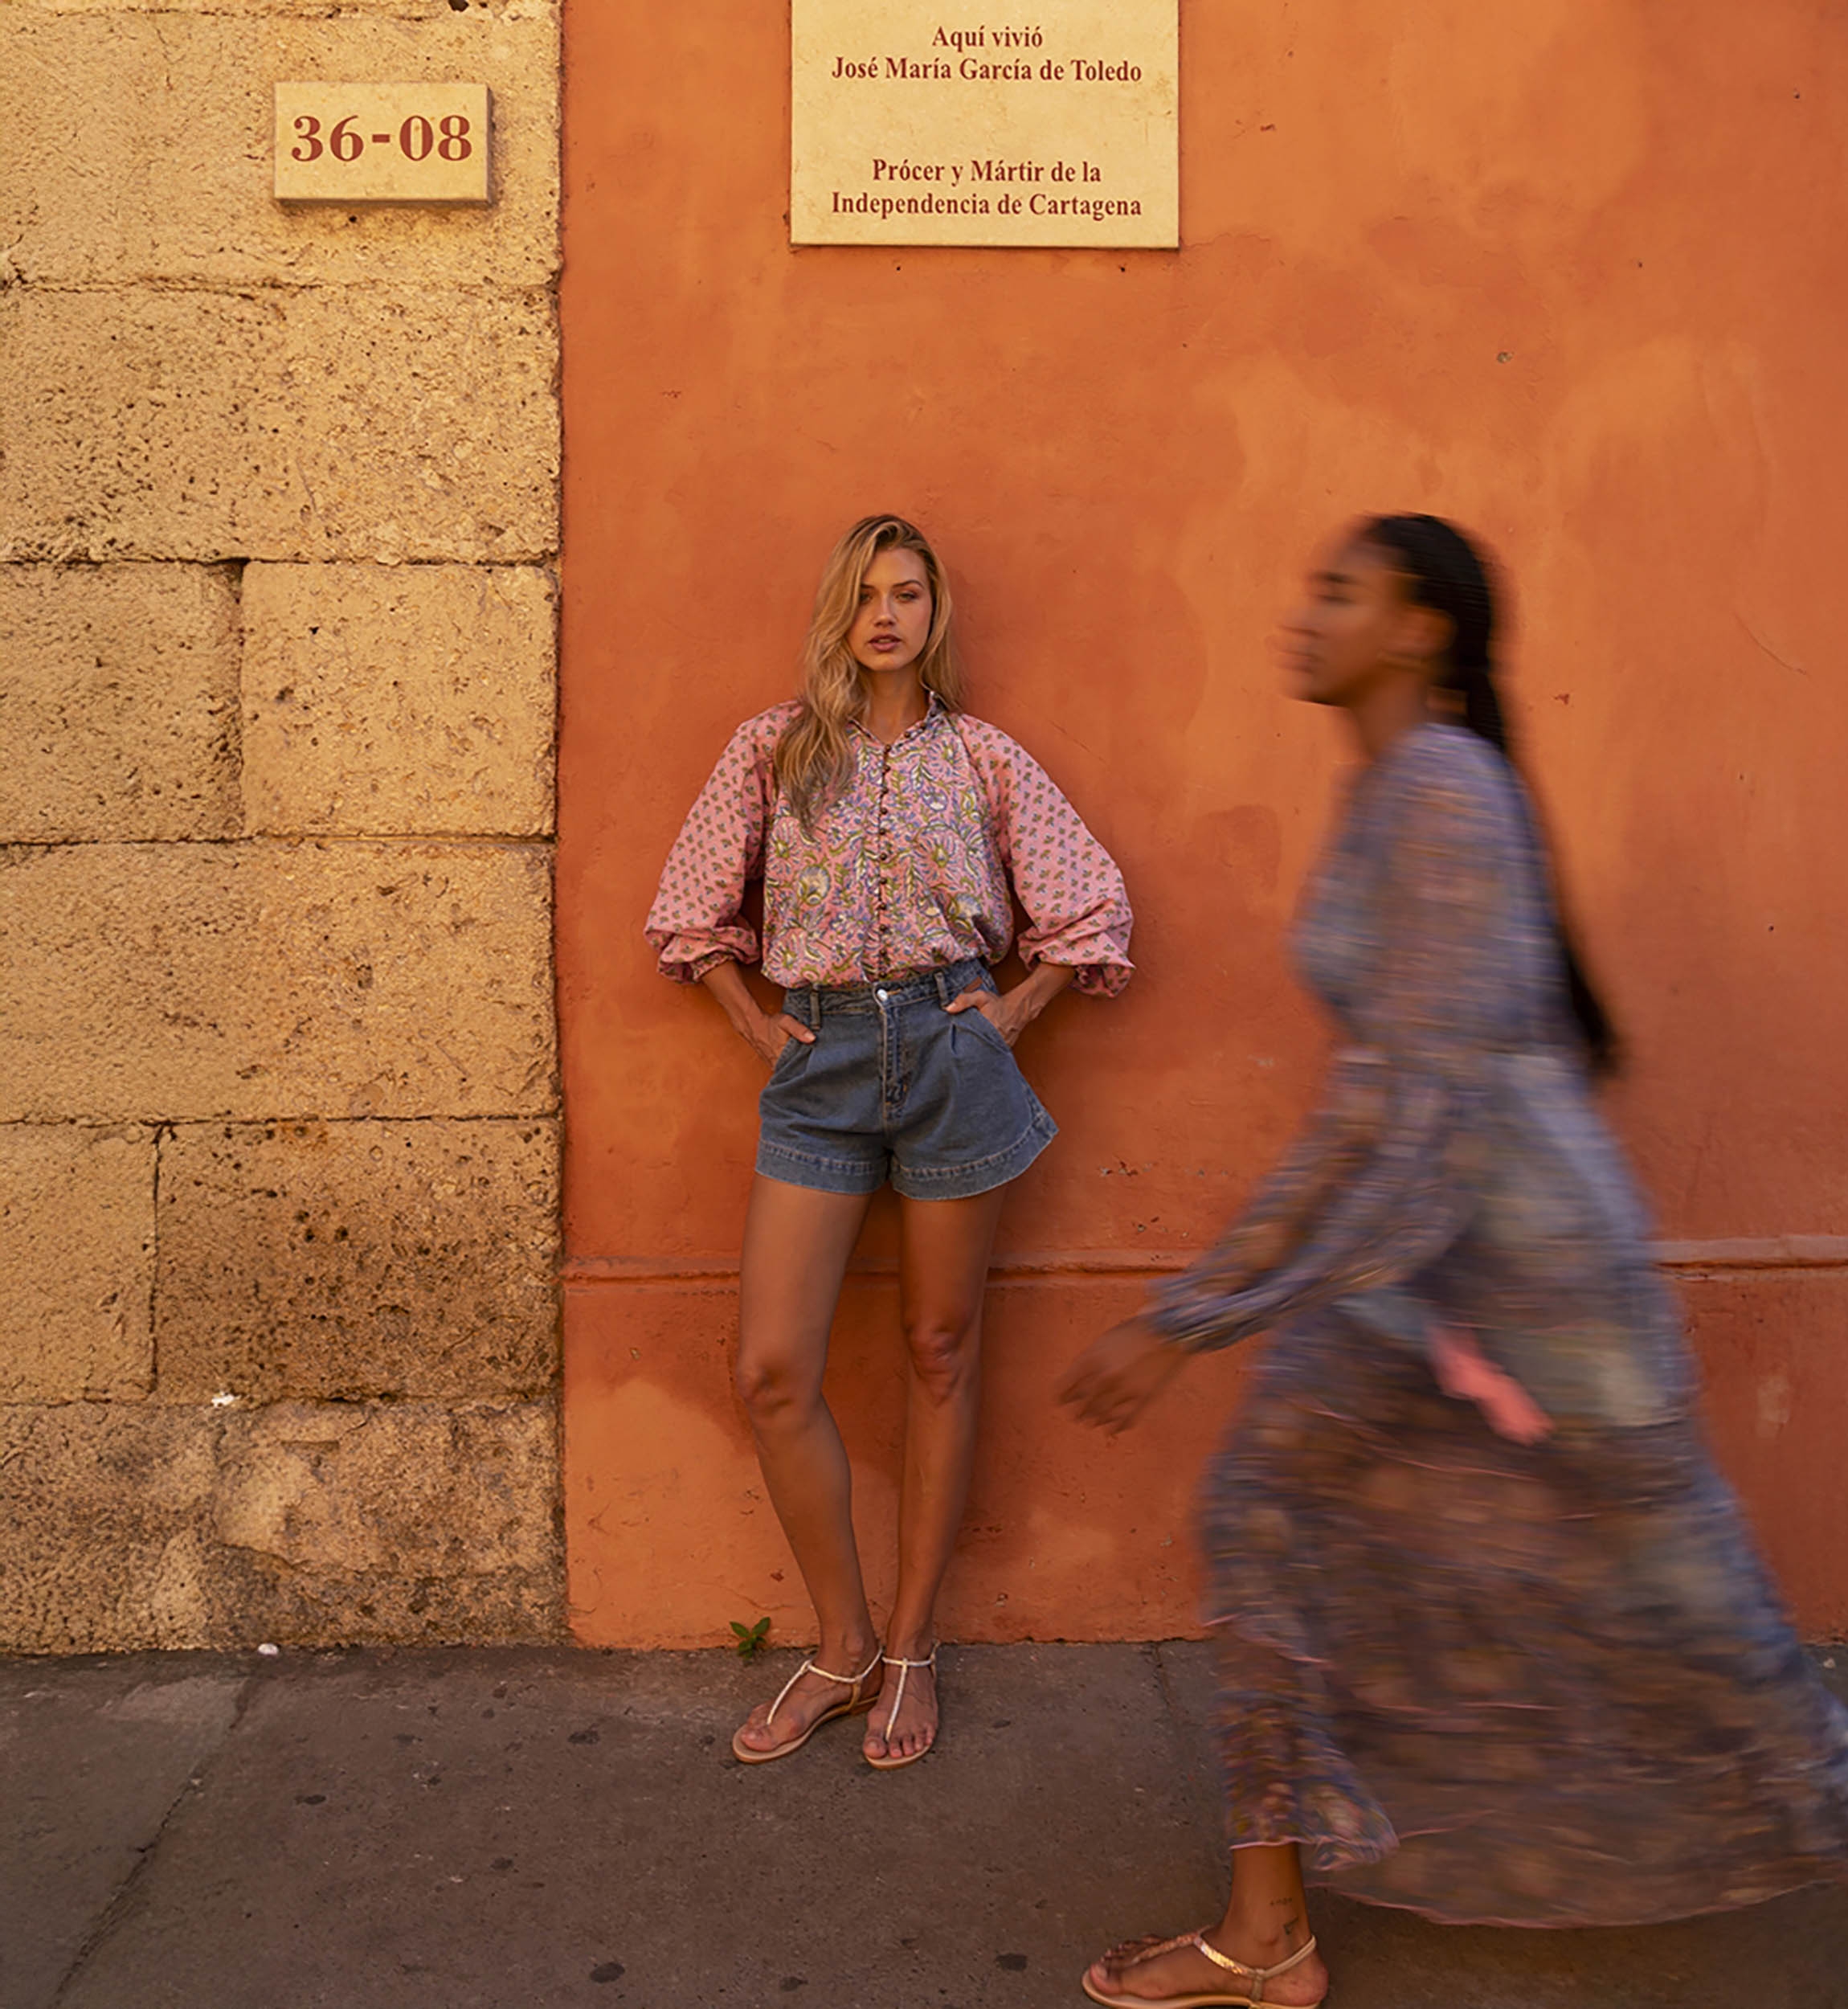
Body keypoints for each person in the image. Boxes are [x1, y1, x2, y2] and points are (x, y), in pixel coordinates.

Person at [1059, 514, 1848, 2007]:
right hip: (1445, 1273)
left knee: (1684, 1607)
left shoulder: (1441, 790)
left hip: (1525, 1291)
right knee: (1281, 1525)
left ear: (1420, 627)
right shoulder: (1398, 791)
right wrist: (1207, 1305)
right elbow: (1378, 1103)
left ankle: (1273, 1933)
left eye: (1338, 591)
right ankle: (1267, 1931)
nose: (1304, 614)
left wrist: (1200, 1318)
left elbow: (1413, 1115)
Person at [648, 514, 1132, 1770]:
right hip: (820, 1067)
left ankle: (913, 1648)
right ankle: (844, 1640)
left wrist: (1016, 1008)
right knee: (770, 1369)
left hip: (951, 1051)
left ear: (934, 614)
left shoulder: (980, 757)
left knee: (937, 1347)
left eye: (908, 594)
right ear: (836, 610)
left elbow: (1090, 902)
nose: (885, 615)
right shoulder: (774, 752)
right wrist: (758, 1027)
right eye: (864, 594)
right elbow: (688, 909)